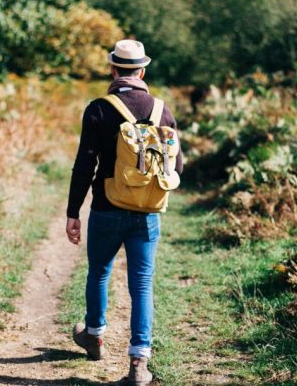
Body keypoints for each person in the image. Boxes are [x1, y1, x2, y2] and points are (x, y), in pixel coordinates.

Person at [65, 39, 183, 385]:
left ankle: (94, 336)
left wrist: (73, 211)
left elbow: (84, 164)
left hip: (106, 207)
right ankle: (138, 363)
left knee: (99, 272)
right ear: (142, 71)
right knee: (142, 284)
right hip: (147, 213)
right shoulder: (163, 110)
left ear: (113, 69)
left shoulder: (99, 108)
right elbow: (176, 167)